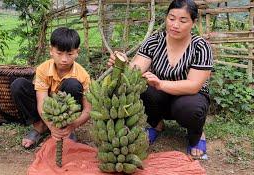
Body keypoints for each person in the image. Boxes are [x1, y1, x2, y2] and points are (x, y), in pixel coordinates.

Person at [108, 0, 213, 159]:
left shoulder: (201, 46)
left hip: (188, 97)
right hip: (160, 96)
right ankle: (157, 125)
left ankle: (197, 134)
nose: (175, 25)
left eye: (182, 20)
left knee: (191, 108)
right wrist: (120, 64)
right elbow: (135, 71)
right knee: (141, 88)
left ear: (193, 22)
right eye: (171, 18)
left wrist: (161, 83)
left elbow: (194, 86)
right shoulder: (155, 41)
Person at [11, 27, 91, 149]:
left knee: (73, 84)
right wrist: (51, 126)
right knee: (18, 85)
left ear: (77, 52)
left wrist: (72, 126)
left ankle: (66, 130)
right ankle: (40, 126)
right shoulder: (43, 68)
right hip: (46, 109)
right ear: (51, 51)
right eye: (59, 53)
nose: (64, 59)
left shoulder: (83, 75)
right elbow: (41, 101)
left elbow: (87, 110)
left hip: (67, 115)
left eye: (70, 54)